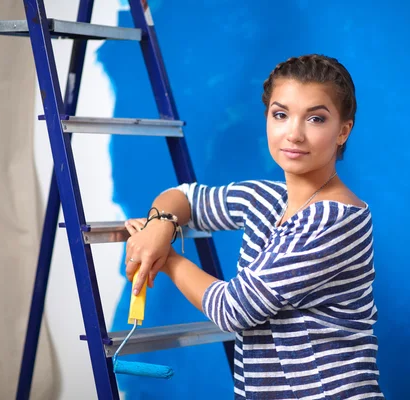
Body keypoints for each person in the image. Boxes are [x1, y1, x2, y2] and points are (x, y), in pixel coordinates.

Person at [124, 54, 384, 399]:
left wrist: (166, 255)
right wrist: (160, 224)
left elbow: (233, 308)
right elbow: (184, 197)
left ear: (343, 131)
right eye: (281, 114)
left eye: (316, 119)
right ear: (267, 119)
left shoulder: (334, 219)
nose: (294, 133)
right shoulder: (264, 199)